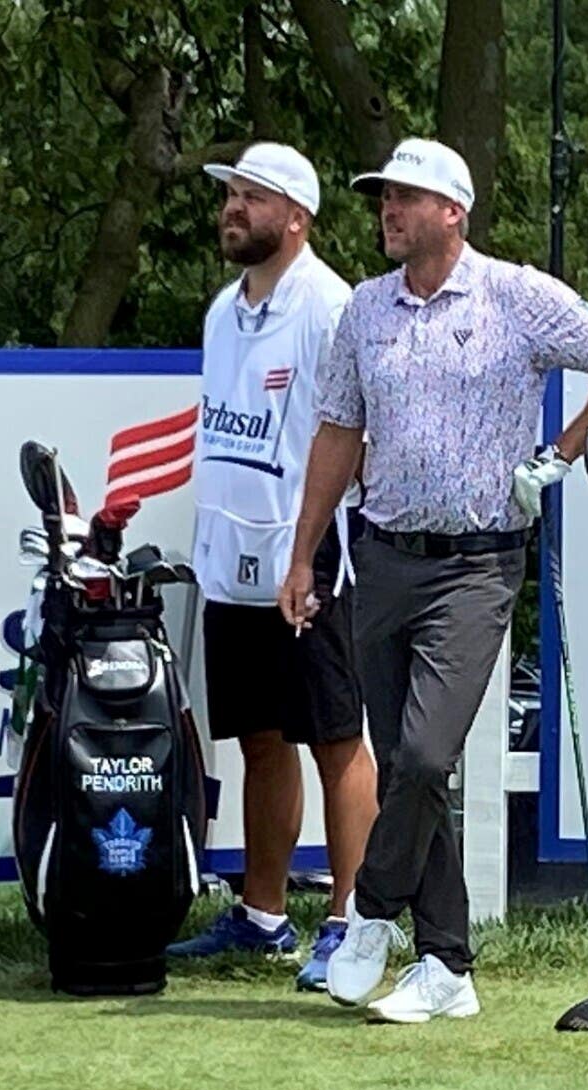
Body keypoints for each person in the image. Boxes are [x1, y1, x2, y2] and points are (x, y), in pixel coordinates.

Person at [280, 137, 588, 1023]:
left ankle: (370, 913)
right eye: (382, 198)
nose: (387, 211)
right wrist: (305, 555)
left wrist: (562, 455)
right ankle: (446, 967)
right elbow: (338, 431)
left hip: (477, 565)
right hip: (380, 558)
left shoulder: (514, 296)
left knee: (421, 755)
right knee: (411, 770)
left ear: (452, 211)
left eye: (405, 199)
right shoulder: (365, 312)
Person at [166, 141, 380, 995]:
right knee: (258, 737)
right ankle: (261, 915)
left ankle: (350, 920)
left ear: (297, 216)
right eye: (229, 196)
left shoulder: (331, 307)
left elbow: (353, 431)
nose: (231, 210)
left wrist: (309, 543)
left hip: (310, 551)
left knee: (334, 735)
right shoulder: (223, 311)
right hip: (232, 557)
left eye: (251, 198)